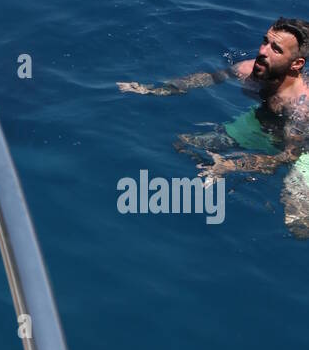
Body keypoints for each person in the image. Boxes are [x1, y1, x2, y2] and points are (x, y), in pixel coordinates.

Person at [118, 18, 309, 230]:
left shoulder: (301, 107)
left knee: (298, 225)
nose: (263, 51)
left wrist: (231, 165)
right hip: (260, 124)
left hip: (302, 150)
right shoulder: (249, 70)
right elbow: (208, 78)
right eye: (264, 41)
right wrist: (154, 90)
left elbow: (288, 156)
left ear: (297, 64)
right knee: (182, 145)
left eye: (276, 49)